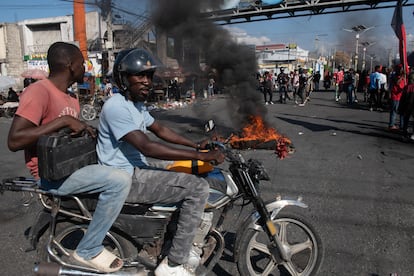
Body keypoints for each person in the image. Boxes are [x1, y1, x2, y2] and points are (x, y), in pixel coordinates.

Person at [97, 48, 225, 276]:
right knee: (197, 188)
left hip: (137, 168)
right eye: (140, 76)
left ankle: (168, 238)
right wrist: (201, 156)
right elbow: (147, 146)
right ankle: (174, 264)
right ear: (123, 78)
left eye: (149, 75)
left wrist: (196, 146)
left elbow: (161, 130)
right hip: (124, 178)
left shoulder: (135, 105)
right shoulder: (116, 107)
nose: (147, 81)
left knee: (186, 172)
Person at [7, 42, 131, 273]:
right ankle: (88, 249)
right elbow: (14, 140)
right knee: (119, 180)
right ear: (70, 65)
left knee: (124, 166)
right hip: (49, 175)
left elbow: (62, 137)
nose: (85, 68)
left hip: (70, 168)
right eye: (82, 64)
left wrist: (83, 129)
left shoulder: (71, 98)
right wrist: (62, 122)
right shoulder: (39, 91)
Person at [388, 64, 405, 130]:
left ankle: (402, 125)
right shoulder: (394, 76)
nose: (401, 70)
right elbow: (397, 83)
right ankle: (391, 125)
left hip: (401, 96)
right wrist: (402, 77)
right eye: (400, 69)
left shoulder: (402, 76)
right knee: (394, 110)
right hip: (395, 96)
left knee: (402, 111)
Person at [398, 72, 414, 141]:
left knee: (406, 121)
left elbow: (402, 98)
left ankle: (404, 134)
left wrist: (400, 107)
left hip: (407, 106)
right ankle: (412, 134)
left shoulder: (406, 87)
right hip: (411, 106)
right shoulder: (407, 87)